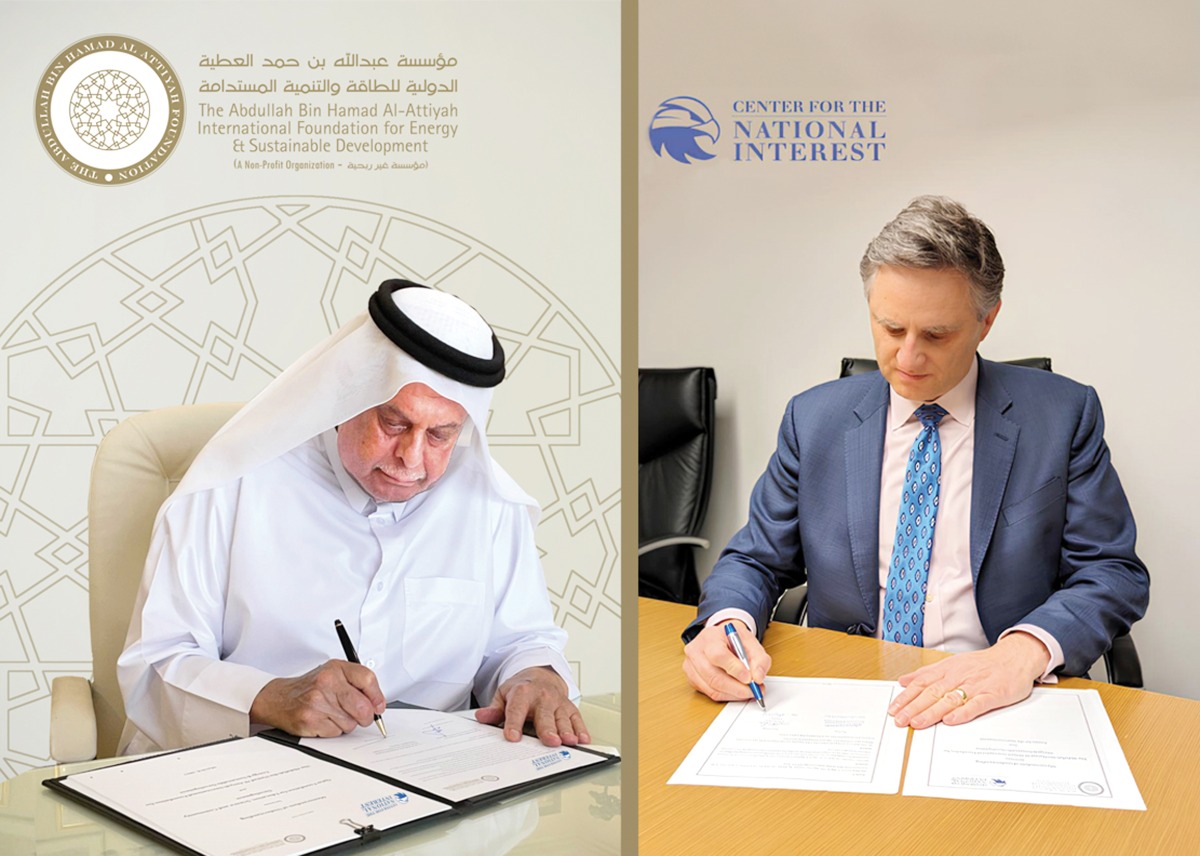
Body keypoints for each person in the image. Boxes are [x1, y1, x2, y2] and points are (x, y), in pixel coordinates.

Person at [683, 196, 1148, 729]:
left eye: (935, 335)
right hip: (845, 699)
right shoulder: (813, 420)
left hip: (997, 699)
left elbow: (1111, 571)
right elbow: (756, 559)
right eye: (891, 328)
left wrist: (1022, 653)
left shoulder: (1062, 415)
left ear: (986, 321)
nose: (906, 359)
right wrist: (727, 621)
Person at [118, 280, 589, 753]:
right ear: (348, 396)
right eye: (394, 423)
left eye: (441, 435)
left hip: (433, 779)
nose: (411, 456)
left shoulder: (488, 503)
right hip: (253, 777)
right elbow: (157, 664)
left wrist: (536, 679)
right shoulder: (234, 482)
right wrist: (269, 698)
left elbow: (519, 641)